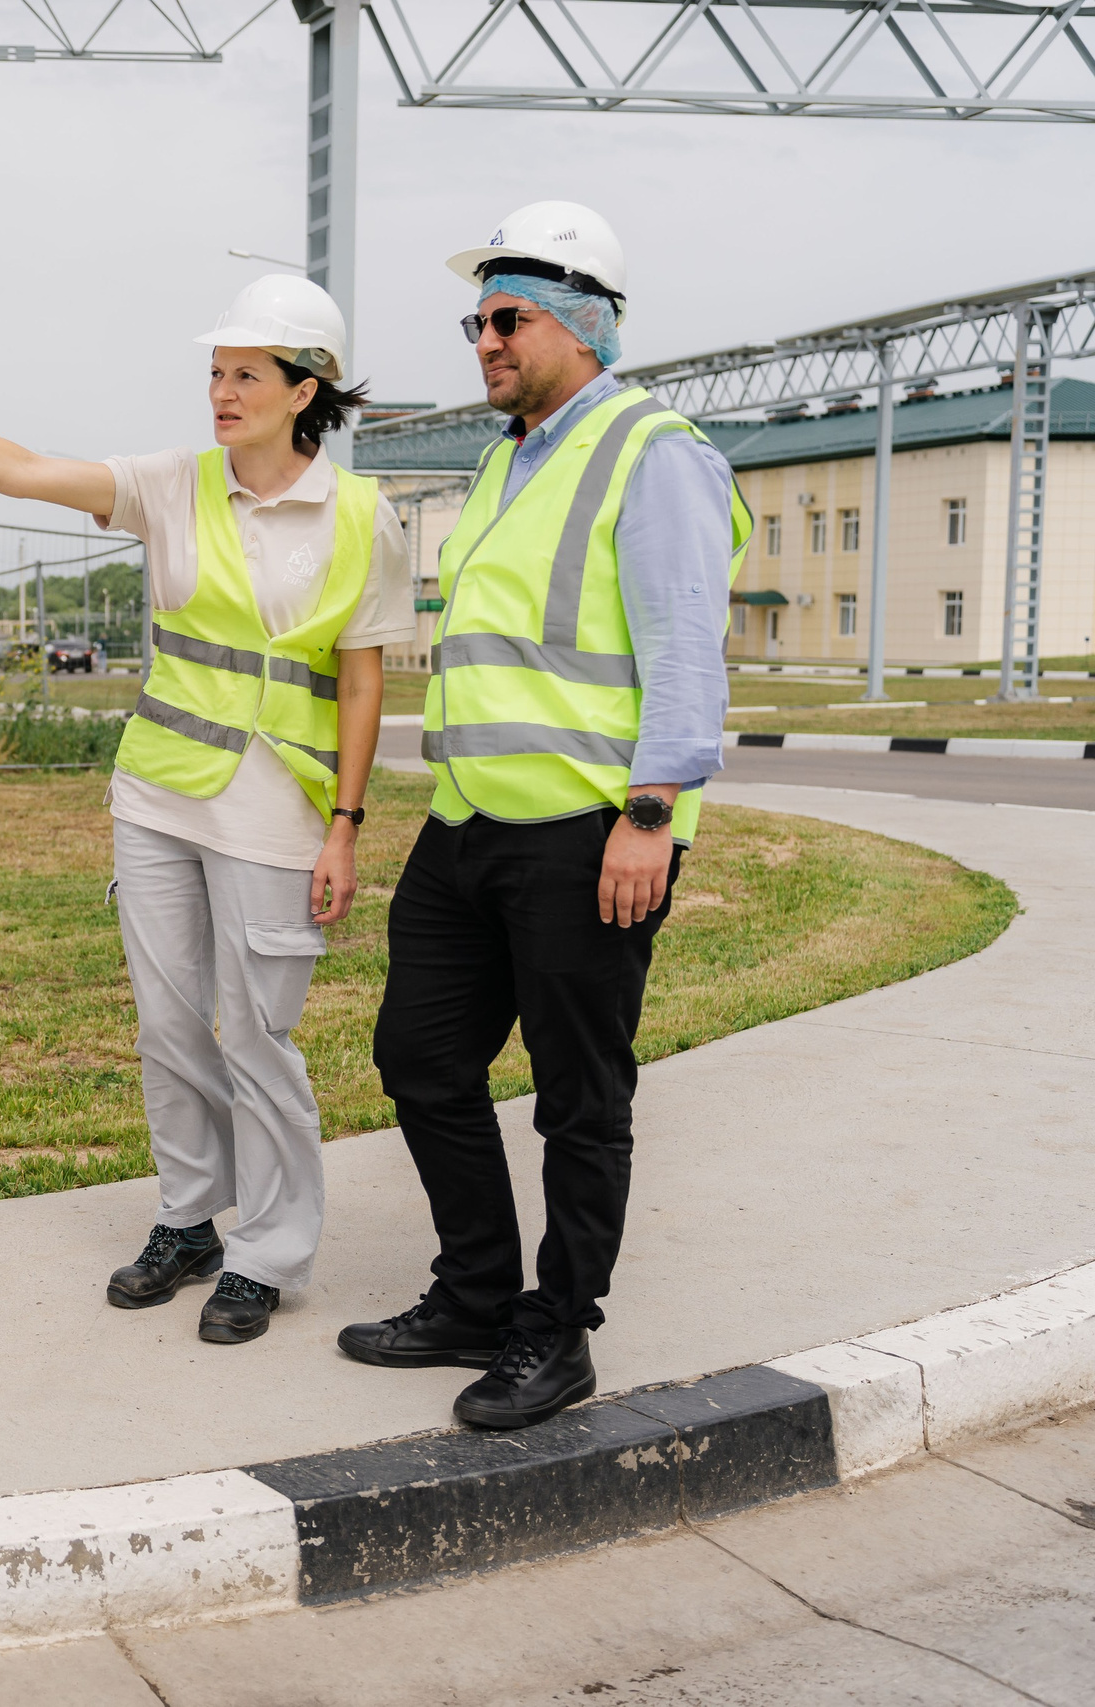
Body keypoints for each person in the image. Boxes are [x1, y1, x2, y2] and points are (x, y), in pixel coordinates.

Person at [0, 274, 408, 1345]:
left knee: (257, 1036)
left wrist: (346, 825)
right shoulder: (174, 485)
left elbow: (362, 681)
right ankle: (189, 1219)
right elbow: (28, 471)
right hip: (159, 792)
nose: (219, 392)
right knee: (169, 1026)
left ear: (305, 389)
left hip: (275, 810)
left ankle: (266, 1252)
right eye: (214, 373)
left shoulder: (360, 517)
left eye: (245, 375)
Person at [339, 201, 750, 1429]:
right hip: (468, 822)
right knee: (417, 1057)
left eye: (507, 317)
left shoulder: (649, 448)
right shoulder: (508, 459)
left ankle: (557, 1330)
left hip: (587, 829)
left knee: (580, 1093)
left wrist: (651, 810)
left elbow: (683, 640)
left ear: (582, 319)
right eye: (476, 321)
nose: (485, 341)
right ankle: (472, 1292)